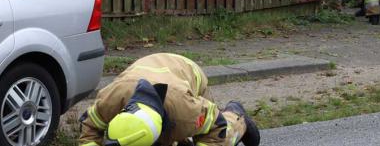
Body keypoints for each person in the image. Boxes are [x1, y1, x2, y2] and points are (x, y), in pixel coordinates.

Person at [78, 53, 259, 146]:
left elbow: (216, 125)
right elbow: (89, 128)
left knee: (221, 138)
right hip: (149, 65)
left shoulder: (186, 112)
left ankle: (236, 117)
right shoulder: (111, 101)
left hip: (187, 71)